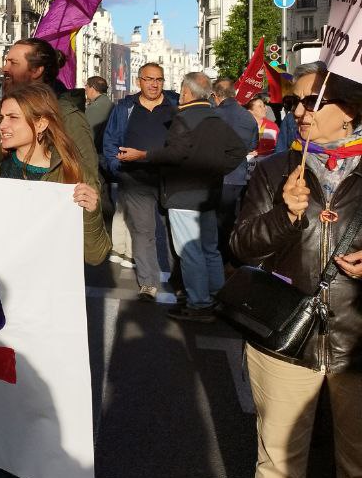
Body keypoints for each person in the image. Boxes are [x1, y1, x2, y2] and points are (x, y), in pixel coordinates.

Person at [229, 63, 362, 478]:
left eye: (311, 103)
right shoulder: (275, 168)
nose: (298, 112)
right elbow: (240, 245)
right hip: (286, 333)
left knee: (358, 466)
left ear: (349, 110)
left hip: (357, 336)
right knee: (279, 451)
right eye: (295, 104)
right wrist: (283, 214)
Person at [0, 82, 106, 478]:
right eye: (1, 118)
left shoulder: (70, 174)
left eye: (10, 119)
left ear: (41, 125)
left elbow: (96, 252)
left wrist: (89, 211)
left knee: (47, 407)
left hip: (49, 313)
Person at [117, 72, 246, 321]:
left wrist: (142, 155)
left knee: (190, 251)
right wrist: (214, 171)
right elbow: (238, 150)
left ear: (186, 92)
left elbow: (174, 154)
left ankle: (199, 303)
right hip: (207, 194)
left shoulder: (184, 118)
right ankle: (216, 295)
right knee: (209, 248)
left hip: (183, 194)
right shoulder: (215, 117)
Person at [101, 63, 178, 299]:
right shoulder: (125, 107)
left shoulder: (175, 105)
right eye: (149, 79)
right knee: (144, 232)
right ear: (139, 81)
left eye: (159, 80)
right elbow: (110, 142)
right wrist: (119, 168)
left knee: (174, 232)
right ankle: (148, 283)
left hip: (170, 180)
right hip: (134, 180)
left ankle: (180, 282)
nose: (154, 84)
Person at [0, 38, 99, 181]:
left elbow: (88, 177)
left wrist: (88, 200)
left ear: (36, 71)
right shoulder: (6, 109)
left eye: (13, 63)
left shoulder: (67, 116)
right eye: (6, 62)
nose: (5, 69)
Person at [210, 77, 259, 267]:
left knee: (213, 223)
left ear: (215, 95)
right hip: (238, 177)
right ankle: (228, 259)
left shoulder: (213, 115)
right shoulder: (248, 117)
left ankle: (218, 260)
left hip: (216, 176)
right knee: (230, 220)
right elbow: (253, 145)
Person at [84, 75, 113, 154]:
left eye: (86, 86)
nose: (85, 90)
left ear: (92, 88)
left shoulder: (94, 108)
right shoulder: (111, 104)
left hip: (98, 155)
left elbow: (88, 137)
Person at [246, 96, 278, 160]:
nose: (264, 108)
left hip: (267, 162)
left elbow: (279, 146)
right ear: (250, 111)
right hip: (248, 163)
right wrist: (246, 152)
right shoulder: (243, 126)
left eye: (263, 106)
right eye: (260, 106)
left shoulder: (273, 126)